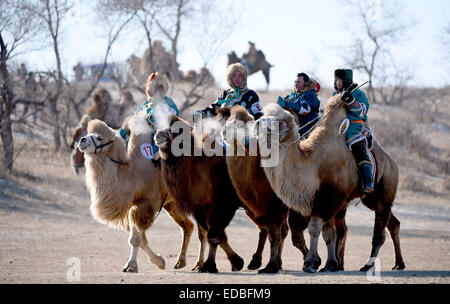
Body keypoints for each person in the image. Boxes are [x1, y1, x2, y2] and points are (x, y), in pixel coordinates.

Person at [119, 72, 179, 161]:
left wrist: (154, 114)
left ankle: (157, 160)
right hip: (143, 136)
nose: (158, 91)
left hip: (161, 134)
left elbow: (173, 116)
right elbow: (137, 116)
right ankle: (123, 153)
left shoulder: (168, 102)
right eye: (156, 88)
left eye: (160, 88)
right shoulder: (145, 104)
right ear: (151, 89)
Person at [333, 68, 374, 193]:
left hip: (354, 127)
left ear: (346, 80)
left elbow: (362, 111)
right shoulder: (335, 95)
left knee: (357, 147)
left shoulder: (358, 94)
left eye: (340, 80)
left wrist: (351, 101)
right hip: (336, 128)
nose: (337, 82)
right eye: (336, 79)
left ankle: (368, 180)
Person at [195, 62, 263, 119]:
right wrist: (202, 113)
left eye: (240, 76)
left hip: (241, 131)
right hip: (220, 128)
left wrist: (235, 114)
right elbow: (213, 109)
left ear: (244, 77)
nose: (237, 79)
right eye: (234, 76)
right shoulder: (226, 93)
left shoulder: (251, 95)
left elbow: (258, 114)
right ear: (230, 78)